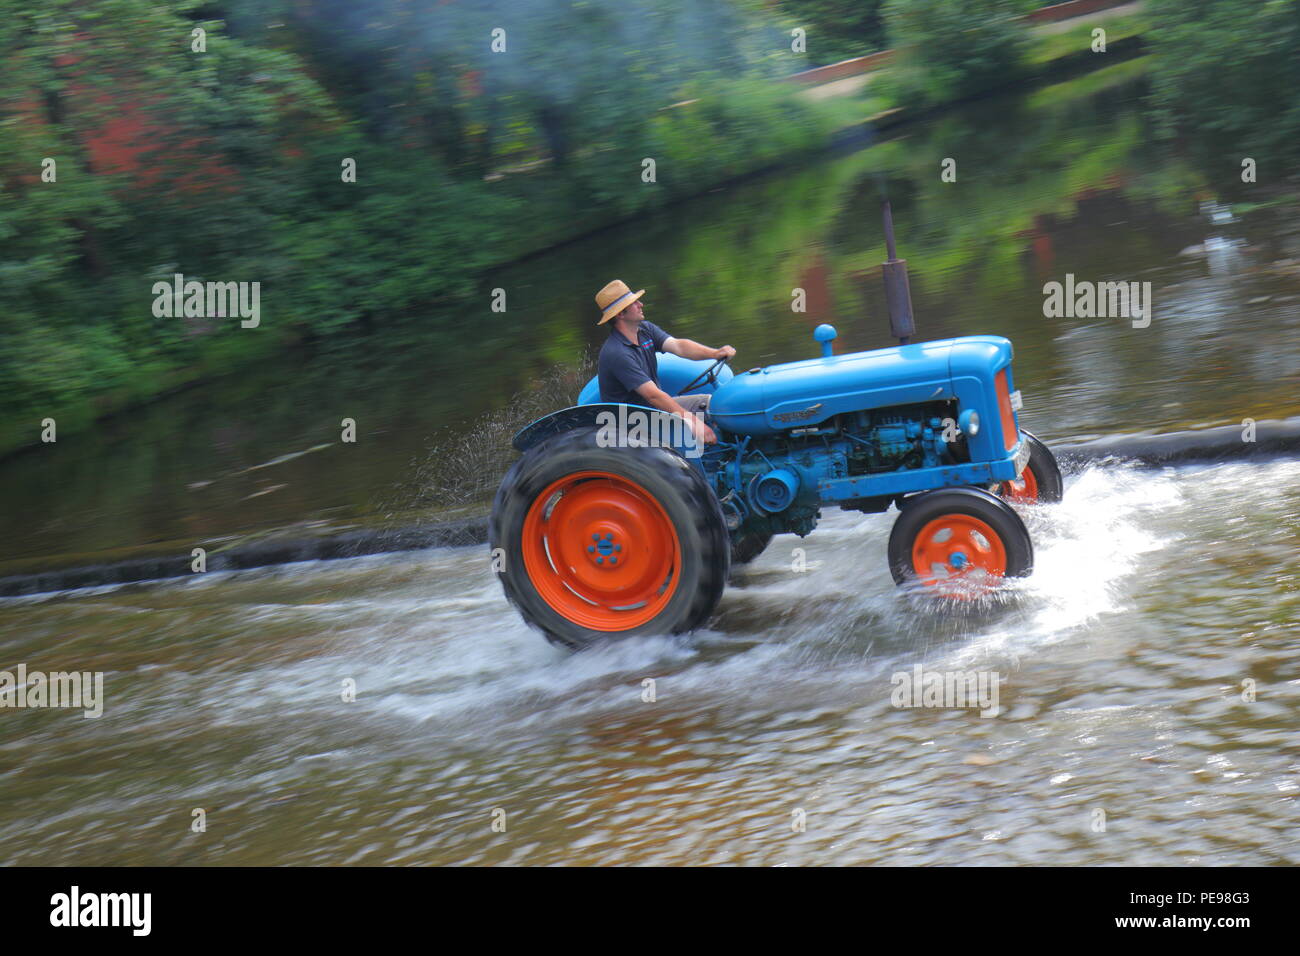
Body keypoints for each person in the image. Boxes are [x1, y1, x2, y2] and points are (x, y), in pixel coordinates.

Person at [594, 280, 735, 446]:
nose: (641, 304)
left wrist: (715, 353)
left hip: (652, 410)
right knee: (693, 422)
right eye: (634, 303)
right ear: (620, 314)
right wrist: (693, 421)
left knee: (716, 404)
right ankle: (712, 464)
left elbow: (679, 346)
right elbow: (652, 395)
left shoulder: (645, 330)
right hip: (633, 422)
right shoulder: (617, 353)